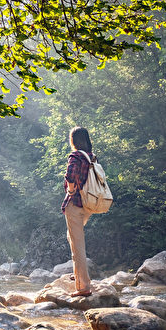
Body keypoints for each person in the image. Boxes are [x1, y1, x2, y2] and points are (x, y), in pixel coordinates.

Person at [61, 127, 95, 297]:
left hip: (75, 203)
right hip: (88, 204)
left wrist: (72, 190)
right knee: (72, 237)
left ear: (73, 140)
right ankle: (79, 274)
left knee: (77, 246)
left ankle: (83, 287)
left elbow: (70, 174)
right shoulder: (91, 156)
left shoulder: (75, 156)